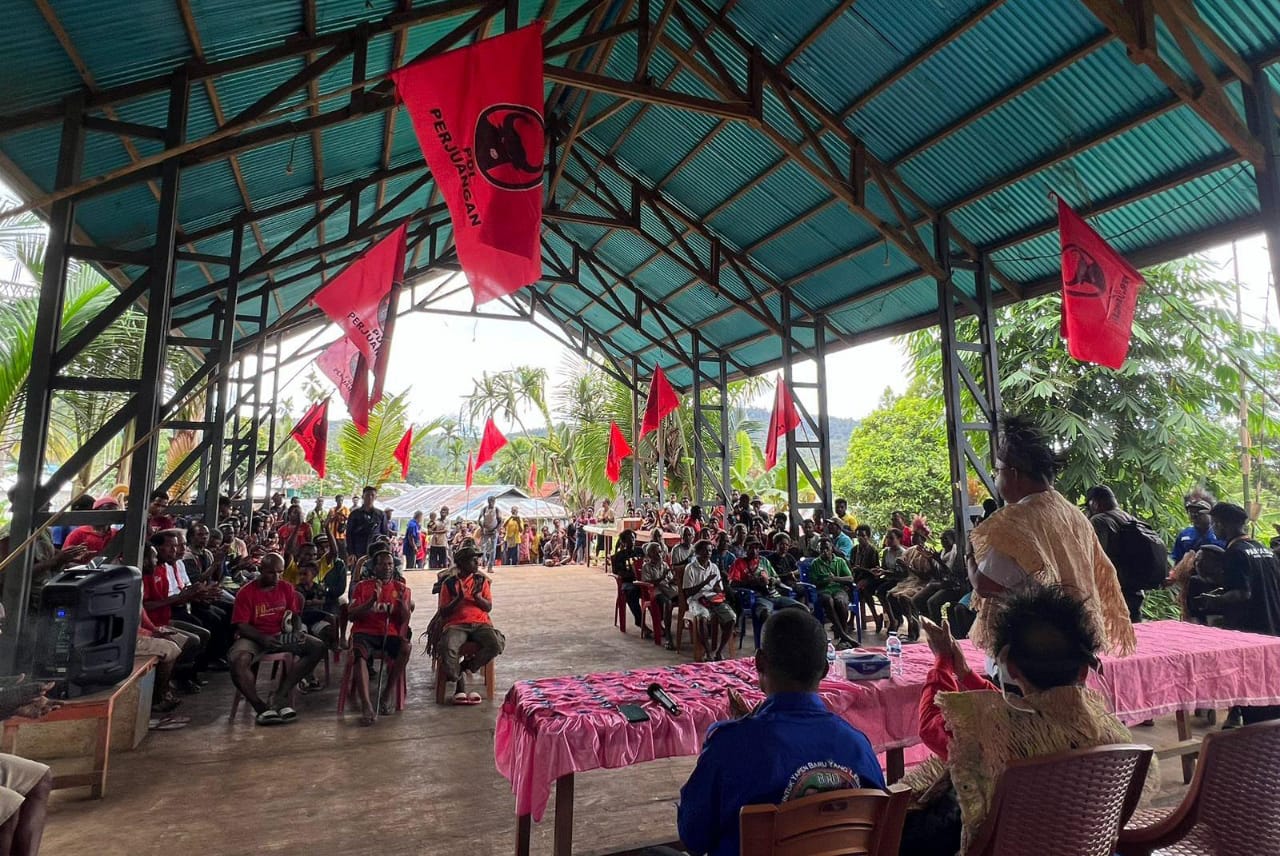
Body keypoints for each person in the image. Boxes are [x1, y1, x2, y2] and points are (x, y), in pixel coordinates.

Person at [901, 587, 1156, 855]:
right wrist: (965, 674)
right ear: (1083, 669)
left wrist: (942, 661)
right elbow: (1026, 711)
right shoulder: (1109, 733)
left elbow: (932, 724)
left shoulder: (990, 737)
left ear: (1010, 668)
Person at [677, 609, 884, 856]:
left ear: (759, 662)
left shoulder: (730, 746)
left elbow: (694, 838)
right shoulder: (857, 746)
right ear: (825, 670)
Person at [968, 415, 1135, 658]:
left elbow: (985, 585)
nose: (996, 478)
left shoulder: (1016, 520)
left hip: (1030, 649)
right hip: (1073, 639)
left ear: (1013, 474)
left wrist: (969, 558)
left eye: (997, 471)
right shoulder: (1073, 513)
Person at [1194, 502, 1280, 725]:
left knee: (1251, 687)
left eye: (1215, 523)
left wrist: (1214, 600)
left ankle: (1254, 738)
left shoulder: (1234, 553)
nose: (1214, 528)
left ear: (1223, 524)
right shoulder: (1264, 549)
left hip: (1249, 631)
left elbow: (1243, 593)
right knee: (1269, 684)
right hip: (1272, 626)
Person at [227, 552, 325, 726]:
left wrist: (296, 631)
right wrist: (262, 638)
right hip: (254, 636)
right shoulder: (246, 592)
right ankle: (260, 707)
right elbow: (241, 625)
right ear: (261, 570)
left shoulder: (286, 587)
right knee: (238, 661)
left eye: (279, 572)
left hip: (281, 634)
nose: (277, 577)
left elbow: (294, 615)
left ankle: (281, 694)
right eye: (272, 572)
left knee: (317, 647)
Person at [428, 545, 505, 705]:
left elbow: (488, 607)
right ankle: (458, 679)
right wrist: (458, 599)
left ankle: (465, 668)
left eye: (477, 559)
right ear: (462, 563)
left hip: (480, 623)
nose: (477, 563)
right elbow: (443, 612)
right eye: (473, 560)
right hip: (456, 624)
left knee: (495, 644)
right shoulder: (449, 583)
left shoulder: (481, 580)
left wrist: (477, 597)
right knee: (448, 647)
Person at [347, 549, 413, 724]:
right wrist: (370, 602)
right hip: (364, 634)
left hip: (389, 634)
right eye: (382, 564)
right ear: (374, 567)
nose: (387, 567)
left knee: (405, 647)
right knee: (359, 655)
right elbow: (351, 615)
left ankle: (387, 693)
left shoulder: (401, 589)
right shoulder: (362, 587)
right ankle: (367, 705)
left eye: (390, 564)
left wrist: (403, 608)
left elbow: (404, 621)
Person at [1086, 485, 1156, 622]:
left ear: (1094, 503)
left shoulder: (1099, 520)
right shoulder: (1130, 518)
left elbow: (1098, 557)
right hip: (1135, 589)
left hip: (1113, 591)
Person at [684, 539, 737, 662]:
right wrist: (706, 581)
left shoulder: (714, 567)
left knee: (731, 617)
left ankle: (719, 651)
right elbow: (688, 592)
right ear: (697, 552)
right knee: (702, 618)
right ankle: (708, 652)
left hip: (713, 598)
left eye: (710, 550)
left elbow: (719, 589)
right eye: (705, 550)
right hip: (696, 599)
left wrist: (718, 588)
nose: (708, 553)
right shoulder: (690, 568)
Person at [729, 539, 804, 625]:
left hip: (774, 595)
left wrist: (773, 580)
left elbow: (777, 579)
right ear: (745, 549)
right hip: (757, 597)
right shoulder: (739, 562)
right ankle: (770, 636)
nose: (754, 551)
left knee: (802, 609)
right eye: (751, 548)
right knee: (766, 615)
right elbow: (733, 583)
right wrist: (752, 582)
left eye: (757, 548)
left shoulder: (764, 561)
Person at [809, 536, 859, 649]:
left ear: (832, 548)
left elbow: (850, 578)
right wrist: (824, 581)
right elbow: (813, 582)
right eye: (821, 549)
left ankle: (843, 636)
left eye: (826, 548)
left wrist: (835, 579)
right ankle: (844, 636)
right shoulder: (815, 563)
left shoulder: (840, 561)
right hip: (823, 590)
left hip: (839, 589)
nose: (824, 551)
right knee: (828, 600)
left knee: (840, 601)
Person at [639, 541, 678, 648]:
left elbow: (669, 580)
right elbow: (649, 583)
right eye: (656, 553)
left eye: (660, 552)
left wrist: (674, 578)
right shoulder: (646, 567)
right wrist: (662, 577)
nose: (659, 555)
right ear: (650, 555)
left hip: (668, 589)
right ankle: (668, 636)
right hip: (655, 592)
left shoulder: (664, 565)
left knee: (683, 599)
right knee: (667, 603)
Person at [611, 530, 649, 635]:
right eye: (628, 539)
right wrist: (633, 574)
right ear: (623, 542)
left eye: (633, 538)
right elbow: (619, 573)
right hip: (628, 582)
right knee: (631, 593)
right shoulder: (619, 556)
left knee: (657, 595)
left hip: (643, 580)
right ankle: (640, 622)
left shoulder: (640, 551)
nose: (631, 541)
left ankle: (659, 624)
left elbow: (647, 564)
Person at [1171, 498, 1226, 563]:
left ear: (1209, 515)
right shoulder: (1184, 534)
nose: (1195, 515)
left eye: (1199, 512)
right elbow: (1176, 558)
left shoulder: (1219, 533)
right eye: (1191, 512)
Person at [345, 486, 387, 561]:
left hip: (376, 549)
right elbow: (349, 534)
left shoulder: (381, 514)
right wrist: (351, 552)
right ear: (363, 496)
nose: (370, 497)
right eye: (367, 495)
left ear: (375, 497)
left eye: (372, 495)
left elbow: (384, 534)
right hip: (359, 549)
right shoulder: (354, 514)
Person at [478, 497, 502, 571]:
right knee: (483, 547)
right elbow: (479, 519)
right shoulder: (484, 509)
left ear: (494, 502)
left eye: (493, 501)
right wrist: (482, 528)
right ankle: (484, 560)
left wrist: (497, 529)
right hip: (486, 530)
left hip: (494, 530)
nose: (491, 503)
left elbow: (500, 521)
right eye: (490, 501)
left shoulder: (497, 509)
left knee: (493, 549)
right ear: (488, 501)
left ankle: (490, 566)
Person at [326, 494, 349, 559]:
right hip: (332, 534)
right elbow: (328, 520)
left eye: (341, 500)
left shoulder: (346, 509)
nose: (340, 501)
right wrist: (335, 516)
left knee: (343, 552)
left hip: (341, 535)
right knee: (333, 551)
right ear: (336, 500)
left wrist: (342, 515)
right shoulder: (332, 509)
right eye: (338, 500)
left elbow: (348, 520)